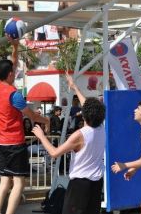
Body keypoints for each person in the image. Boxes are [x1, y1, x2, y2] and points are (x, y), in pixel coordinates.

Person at [0, 38, 50, 214]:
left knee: (4, 181)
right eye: (13, 71)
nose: (15, 72)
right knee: (18, 182)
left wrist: (15, 46)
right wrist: (46, 121)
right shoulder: (14, 95)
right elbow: (31, 116)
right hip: (14, 143)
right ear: (10, 74)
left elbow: (13, 63)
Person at [32, 74, 106, 214]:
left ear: (84, 115)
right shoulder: (101, 127)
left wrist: (42, 136)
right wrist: (74, 86)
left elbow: (54, 153)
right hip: (96, 183)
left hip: (80, 185)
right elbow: (88, 106)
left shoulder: (79, 135)